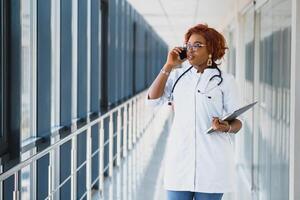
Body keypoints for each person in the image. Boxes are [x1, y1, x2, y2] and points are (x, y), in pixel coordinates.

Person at [146, 24, 243, 200]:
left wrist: (225, 127)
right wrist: (168, 65)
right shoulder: (177, 77)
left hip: (212, 164)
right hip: (180, 162)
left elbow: (238, 123)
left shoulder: (226, 82)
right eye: (188, 45)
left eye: (197, 45)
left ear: (212, 49)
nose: (190, 50)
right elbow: (152, 100)